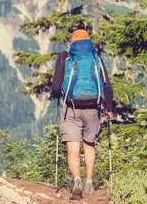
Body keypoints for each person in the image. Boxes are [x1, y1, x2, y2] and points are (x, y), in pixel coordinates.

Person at [51, 29, 114, 199]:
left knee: (73, 147)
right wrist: (109, 108)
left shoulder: (65, 57)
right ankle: (89, 182)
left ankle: (76, 180)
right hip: (92, 108)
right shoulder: (96, 59)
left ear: (72, 42)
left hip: (71, 107)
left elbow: (57, 84)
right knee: (89, 145)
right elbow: (107, 85)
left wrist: (56, 94)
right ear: (88, 42)